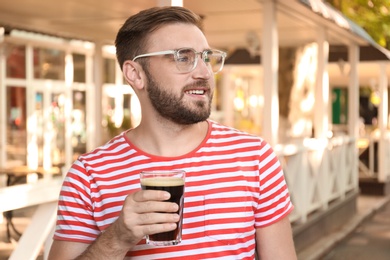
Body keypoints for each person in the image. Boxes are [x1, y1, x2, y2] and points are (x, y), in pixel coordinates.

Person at [48, 6, 297, 260]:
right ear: (135, 74)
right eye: (182, 57)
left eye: (206, 57)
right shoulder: (88, 176)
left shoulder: (255, 158)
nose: (204, 73)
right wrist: (118, 237)